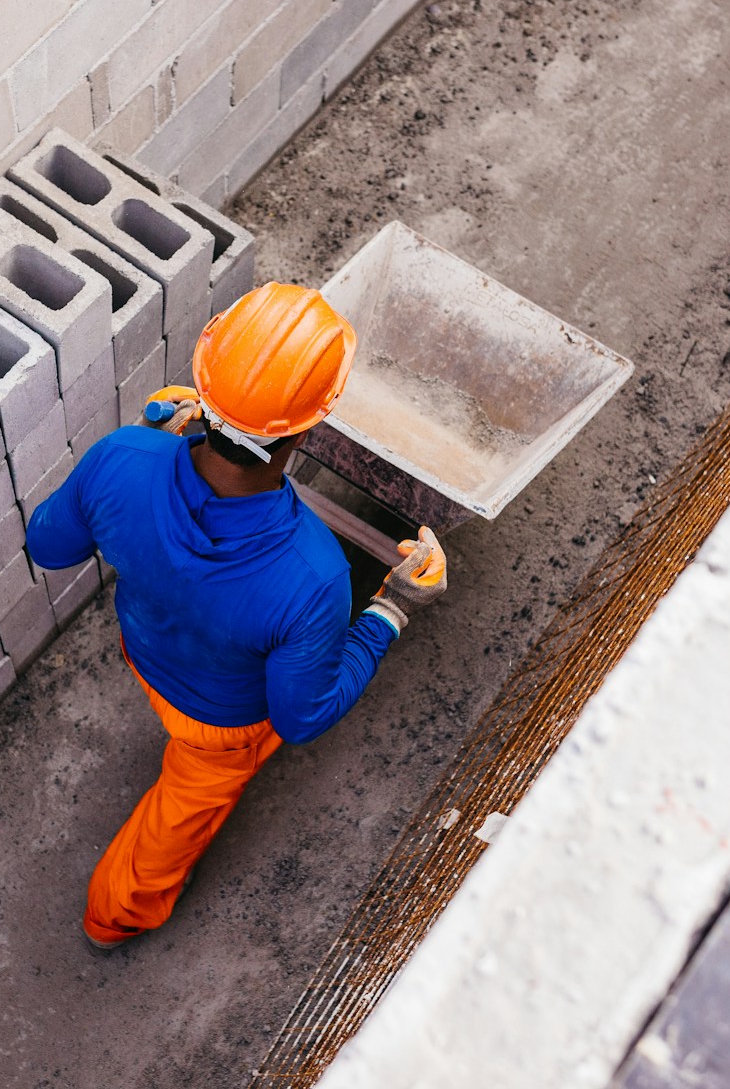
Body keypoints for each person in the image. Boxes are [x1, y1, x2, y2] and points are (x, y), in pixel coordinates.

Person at [24, 281, 448, 949]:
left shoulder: (121, 458)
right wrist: (392, 607)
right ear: (310, 427)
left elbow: (50, 546)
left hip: (144, 648)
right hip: (219, 727)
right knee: (176, 820)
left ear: (204, 382)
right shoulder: (315, 575)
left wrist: (147, 439)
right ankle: (114, 918)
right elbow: (300, 716)